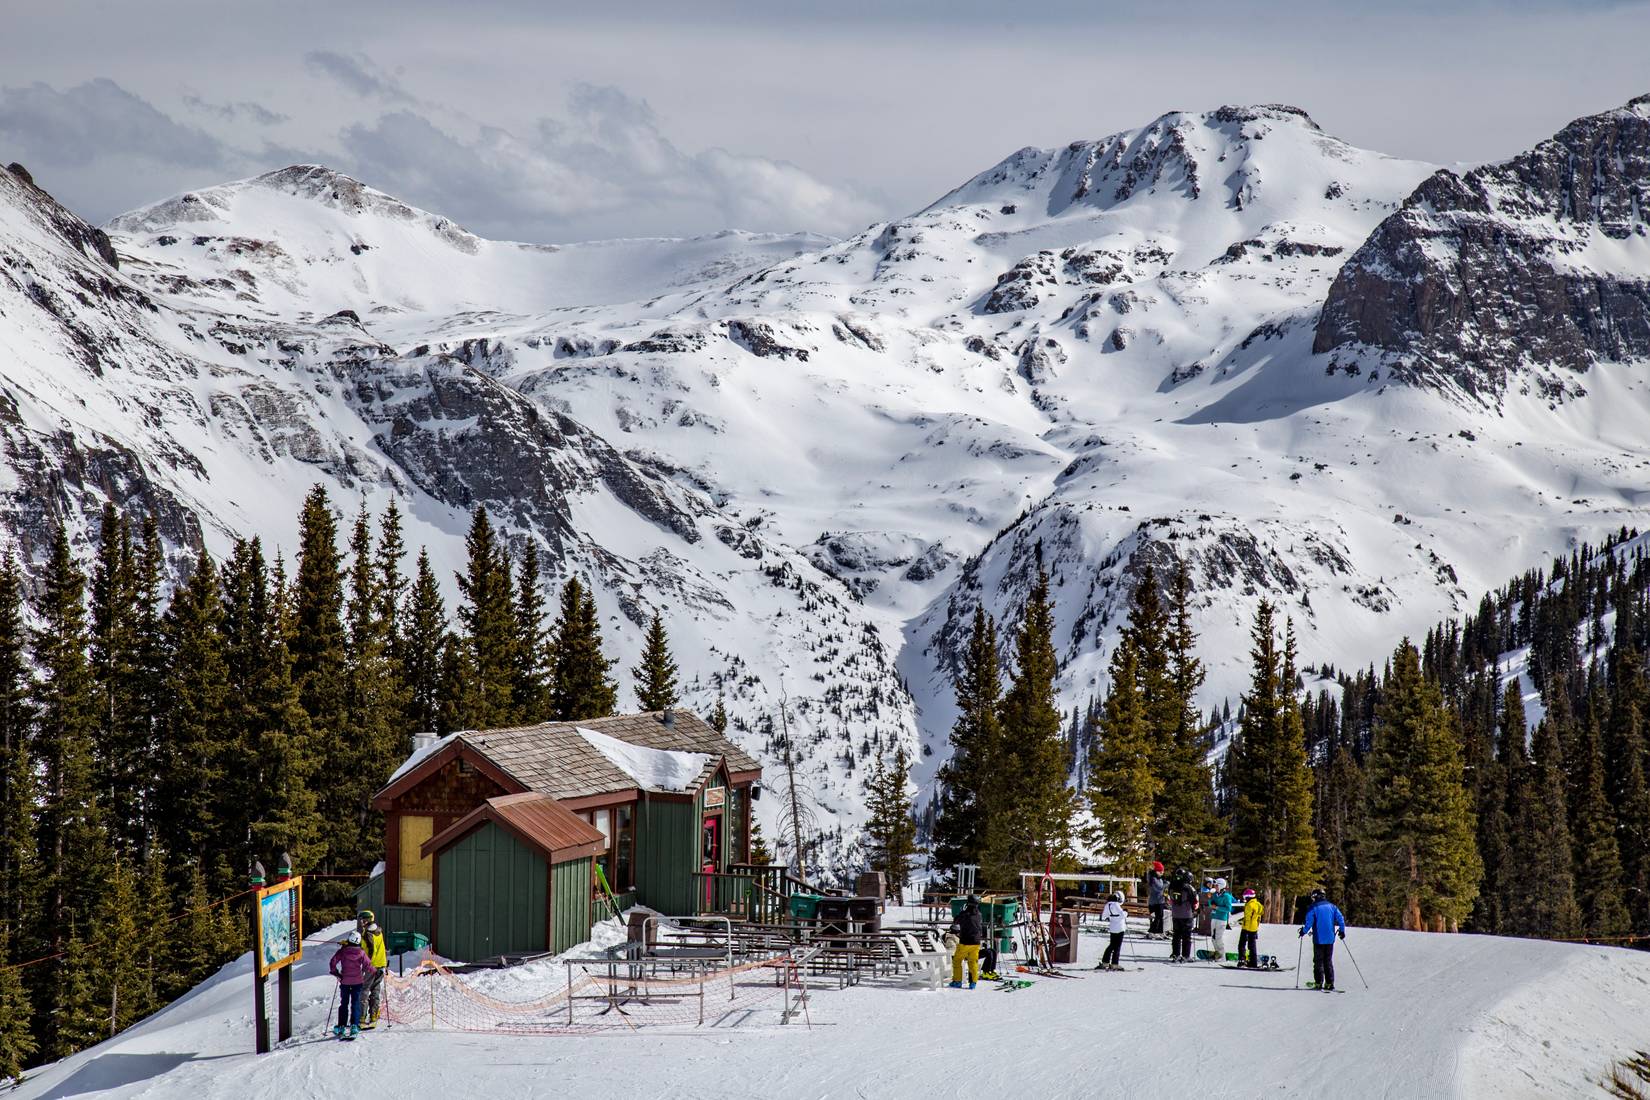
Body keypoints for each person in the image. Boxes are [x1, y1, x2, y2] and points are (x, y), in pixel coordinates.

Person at [330, 929, 377, 1039]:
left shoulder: (343, 951)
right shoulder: (361, 952)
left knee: (344, 1003)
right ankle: (354, 1026)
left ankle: (341, 1026)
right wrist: (376, 971)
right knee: (355, 1003)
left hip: (345, 981)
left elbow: (332, 962)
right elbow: (367, 966)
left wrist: (335, 973)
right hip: (357, 981)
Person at [1299, 888, 1347, 991]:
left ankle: (1318, 983)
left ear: (1316, 896)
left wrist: (1303, 931)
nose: (1313, 899)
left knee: (1318, 961)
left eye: (1313, 897)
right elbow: (1340, 919)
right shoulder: (1332, 906)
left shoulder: (1313, 908)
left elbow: (1308, 923)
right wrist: (1342, 931)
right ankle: (1329, 983)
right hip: (1330, 939)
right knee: (1328, 961)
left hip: (1319, 939)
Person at [948, 894, 984, 989]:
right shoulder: (979, 914)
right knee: (973, 962)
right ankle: (973, 983)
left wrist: (962, 911)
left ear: (968, 903)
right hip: (976, 942)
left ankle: (957, 981)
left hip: (965, 942)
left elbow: (956, 921)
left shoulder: (964, 914)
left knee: (957, 960)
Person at [358, 915, 388, 1027]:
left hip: (371, 966)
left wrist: (366, 964)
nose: (361, 922)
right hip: (381, 965)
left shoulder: (367, 933)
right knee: (375, 990)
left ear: (367, 920)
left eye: (363, 919)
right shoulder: (378, 931)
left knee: (364, 990)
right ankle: (374, 1015)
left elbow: (370, 950)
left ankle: (361, 1017)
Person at [1168, 869, 1198, 962]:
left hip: (1175, 914)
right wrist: (1196, 909)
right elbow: (1194, 901)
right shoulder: (1188, 887)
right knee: (1186, 936)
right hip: (1186, 914)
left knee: (1176, 935)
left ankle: (1175, 954)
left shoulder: (1172, 886)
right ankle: (1186, 955)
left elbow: (1169, 897)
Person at [1095, 890, 1128, 971]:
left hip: (1112, 927)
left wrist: (1111, 916)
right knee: (1117, 947)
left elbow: (1103, 917)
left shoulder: (1108, 905)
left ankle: (1105, 962)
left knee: (1111, 945)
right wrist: (1126, 912)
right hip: (1120, 928)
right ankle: (1114, 964)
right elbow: (1122, 915)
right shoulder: (1116, 904)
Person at [1208, 879, 1235, 961]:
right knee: (1213, 938)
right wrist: (1210, 899)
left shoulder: (1227, 896)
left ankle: (1222, 955)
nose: (1215, 887)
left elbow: (1228, 908)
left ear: (1221, 886)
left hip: (1222, 919)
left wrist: (1217, 907)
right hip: (1214, 918)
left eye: (1216, 886)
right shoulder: (1215, 895)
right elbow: (1210, 904)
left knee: (1218, 938)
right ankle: (1217, 953)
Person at [1238, 888, 1264, 969]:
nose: (1244, 899)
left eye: (1245, 897)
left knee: (1241, 945)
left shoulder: (1249, 905)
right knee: (1252, 946)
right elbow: (1259, 915)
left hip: (1247, 928)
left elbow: (1248, 918)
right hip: (1254, 928)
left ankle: (1241, 961)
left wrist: (1245, 928)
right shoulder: (1258, 904)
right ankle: (1253, 962)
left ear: (1249, 897)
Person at [1147, 862, 1166, 937]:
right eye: (1160, 871)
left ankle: (1160, 931)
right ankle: (1152, 931)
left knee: (1160, 917)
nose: (1162, 873)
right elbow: (1159, 888)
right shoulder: (1153, 879)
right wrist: (1166, 884)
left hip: (1160, 900)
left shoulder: (1158, 878)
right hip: (1156, 901)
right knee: (1157, 917)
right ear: (1156, 871)